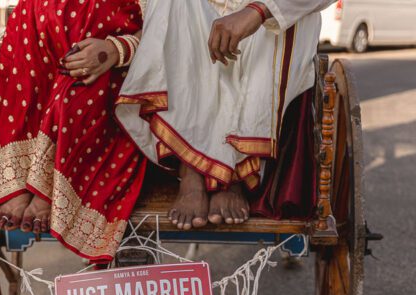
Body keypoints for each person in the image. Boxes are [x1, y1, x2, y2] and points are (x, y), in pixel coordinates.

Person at [116, 0, 334, 229]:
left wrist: (256, 12)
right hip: (205, 19)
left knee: (286, 23)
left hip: (271, 19)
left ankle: (234, 176)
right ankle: (190, 171)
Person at [0, 0, 147, 262]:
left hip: (113, 47)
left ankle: (49, 185)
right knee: (21, 62)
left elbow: (169, 19)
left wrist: (118, 48)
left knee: (79, 83)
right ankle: (21, 180)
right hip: (44, 31)